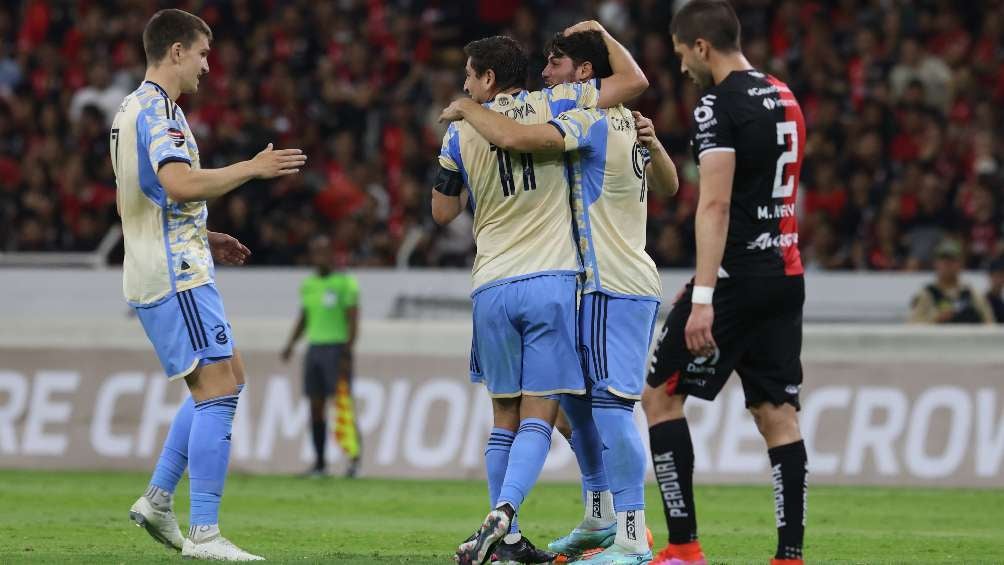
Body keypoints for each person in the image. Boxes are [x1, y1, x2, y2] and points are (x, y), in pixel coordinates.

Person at [447, 27, 678, 565]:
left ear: (583, 73)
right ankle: (599, 516)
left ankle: (630, 536)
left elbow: (523, 139)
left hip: (611, 282)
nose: (545, 74)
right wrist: (655, 139)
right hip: (593, 282)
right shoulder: (624, 120)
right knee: (573, 400)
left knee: (613, 408)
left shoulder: (588, 118)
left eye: (556, 64)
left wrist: (465, 109)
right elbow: (666, 185)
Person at [115, 8, 306, 561]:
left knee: (227, 377)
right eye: (201, 52)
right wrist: (251, 167)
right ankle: (204, 532)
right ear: (175, 51)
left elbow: (146, 195)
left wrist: (206, 232)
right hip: (176, 276)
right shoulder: (162, 113)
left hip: (169, 261)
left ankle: (156, 500)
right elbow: (176, 182)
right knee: (217, 387)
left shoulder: (131, 109)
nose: (207, 63)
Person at [640, 2, 808, 564]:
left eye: (683, 52)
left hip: (735, 279)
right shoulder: (784, 94)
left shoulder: (718, 104)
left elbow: (713, 204)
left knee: (660, 398)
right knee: (776, 414)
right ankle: (789, 556)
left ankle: (684, 548)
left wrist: (704, 299)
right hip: (785, 271)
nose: (682, 64)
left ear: (702, 47)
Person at [282, 235, 361, 478]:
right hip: (314, 349)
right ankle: (319, 463)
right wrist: (291, 344)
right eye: (316, 252)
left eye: (325, 251)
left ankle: (353, 461)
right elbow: (304, 317)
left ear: (332, 254)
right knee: (315, 407)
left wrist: (348, 350)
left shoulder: (345, 283)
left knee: (341, 406)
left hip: (336, 349)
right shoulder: (309, 285)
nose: (321, 257)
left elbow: (352, 319)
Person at [908, 239, 995, 324]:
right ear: (935, 263)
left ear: (961, 263)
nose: (947, 264)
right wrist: (936, 319)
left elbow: (990, 324)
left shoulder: (972, 294)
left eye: (952, 260)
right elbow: (911, 327)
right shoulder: (926, 294)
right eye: (943, 259)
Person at [988, 256, 1004, 323]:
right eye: (996, 276)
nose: (998, 280)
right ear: (990, 277)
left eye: (1001, 276)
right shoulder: (985, 299)